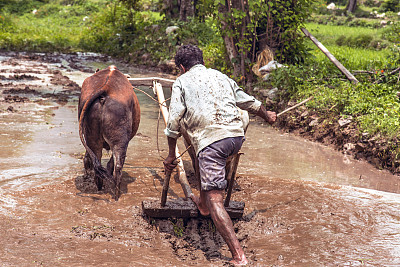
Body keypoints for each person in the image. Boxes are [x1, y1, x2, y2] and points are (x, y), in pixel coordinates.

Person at [163, 45, 276, 265]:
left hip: (212, 143)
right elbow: (249, 102)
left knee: (216, 198)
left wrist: (170, 156)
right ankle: (203, 205)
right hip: (235, 138)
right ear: (201, 61)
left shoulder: (182, 82)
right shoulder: (220, 76)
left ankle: (238, 256)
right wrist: (267, 115)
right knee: (208, 181)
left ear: (182, 67)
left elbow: (174, 120)